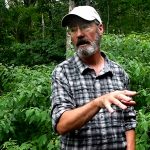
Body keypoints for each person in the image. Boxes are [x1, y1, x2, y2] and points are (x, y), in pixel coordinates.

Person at [51, 6, 137, 150]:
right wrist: (98, 103)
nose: (79, 34)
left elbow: (129, 120)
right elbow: (62, 125)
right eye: (73, 29)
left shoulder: (119, 72)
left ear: (100, 28)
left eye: (85, 27)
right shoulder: (62, 72)